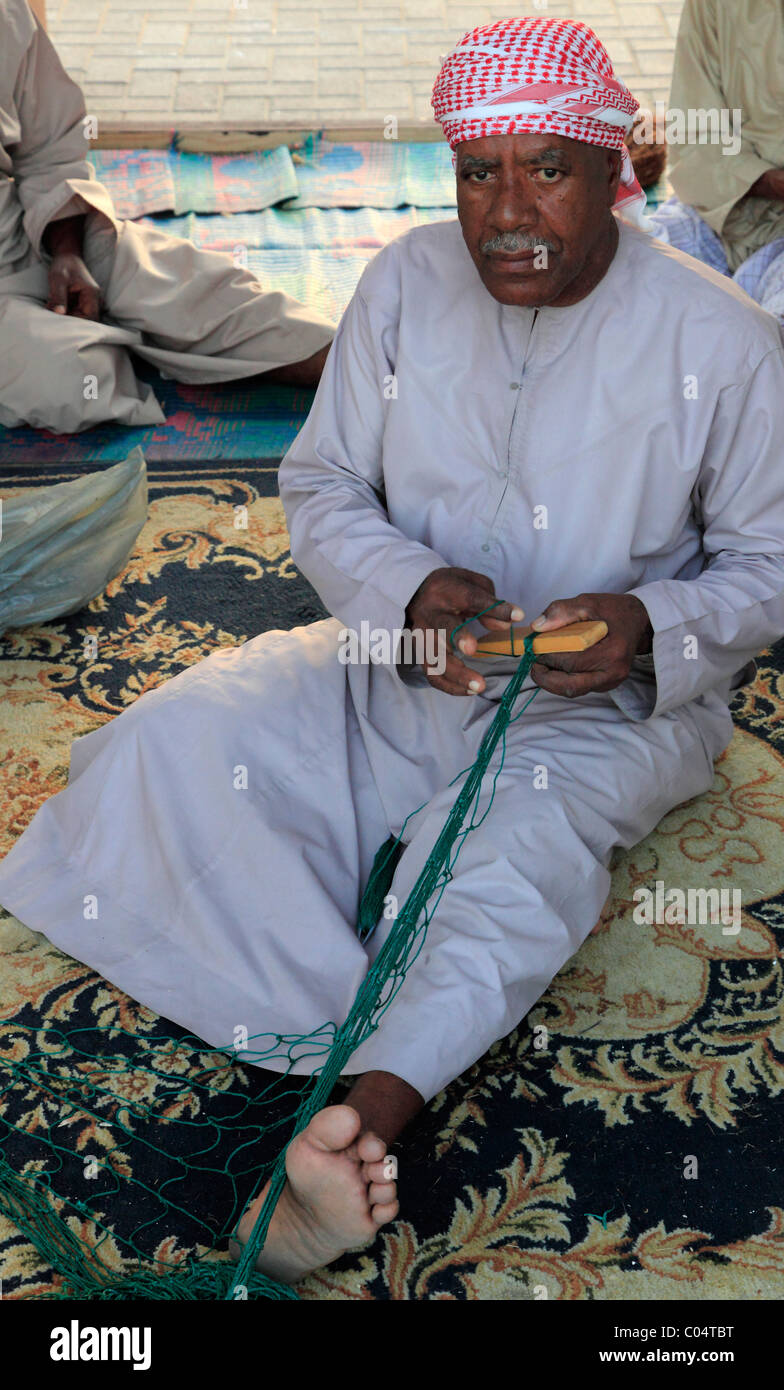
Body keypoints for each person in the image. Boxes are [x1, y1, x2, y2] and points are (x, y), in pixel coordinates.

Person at [1, 15, 784, 1285]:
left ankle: (348, 1129)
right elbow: (320, 489)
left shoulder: (725, 345)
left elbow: (768, 563)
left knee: (503, 867)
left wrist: (649, 626)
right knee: (172, 743)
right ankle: (341, 996)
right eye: (479, 172)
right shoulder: (402, 285)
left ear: (611, 174)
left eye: (546, 169)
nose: (506, 211)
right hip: (399, 657)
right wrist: (410, 592)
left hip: (605, 703)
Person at [0, 0, 333, 434]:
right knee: (76, 378)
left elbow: (49, 151)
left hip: (28, 228)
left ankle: (391, 377)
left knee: (211, 296)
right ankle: (121, 342)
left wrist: (66, 252)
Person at [650, 0, 784, 320]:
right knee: (625, 285)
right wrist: (766, 180)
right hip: (722, 216)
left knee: (767, 343)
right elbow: (696, 137)